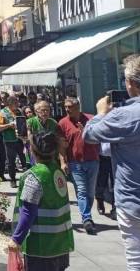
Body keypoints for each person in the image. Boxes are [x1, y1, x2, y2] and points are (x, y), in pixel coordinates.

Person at [83, 54, 140, 270]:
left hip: (132, 199)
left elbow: (89, 135)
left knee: (136, 259)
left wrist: (100, 113)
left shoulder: (124, 115)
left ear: (130, 84)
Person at [8, 132, 74, 271]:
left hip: (41, 247)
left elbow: (28, 211)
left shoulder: (34, 176)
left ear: (33, 150)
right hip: (61, 243)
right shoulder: (58, 172)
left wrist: (16, 238)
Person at [58, 97, 100, 235]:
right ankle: (87, 219)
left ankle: (86, 215)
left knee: (90, 193)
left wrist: (86, 132)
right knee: (81, 191)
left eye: (69, 107)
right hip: (75, 162)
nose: (67, 109)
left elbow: (99, 139)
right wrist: (63, 162)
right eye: (66, 107)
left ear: (78, 107)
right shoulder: (63, 123)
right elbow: (62, 146)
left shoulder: (90, 119)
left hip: (92, 160)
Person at [0, 96, 26, 187]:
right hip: (9, 140)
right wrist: (9, 125)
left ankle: (26, 179)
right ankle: (12, 179)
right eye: (16, 103)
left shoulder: (19, 111)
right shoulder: (2, 113)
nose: (18, 104)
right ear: (10, 104)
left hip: (20, 139)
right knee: (11, 161)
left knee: (24, 159)